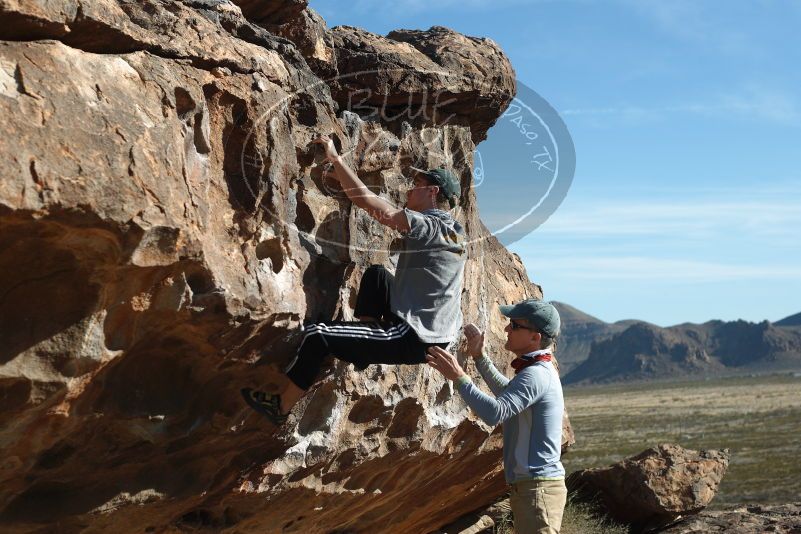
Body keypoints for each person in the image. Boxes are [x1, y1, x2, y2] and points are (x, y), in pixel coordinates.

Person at [242, 135, 467, 426]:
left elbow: (370, 204)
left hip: (415, 338)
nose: (412, 189)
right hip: (434, 331)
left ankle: (281, 406)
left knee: (317, 335)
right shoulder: (454, 230)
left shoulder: (430, 226)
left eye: (419, 185)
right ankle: (363, 343)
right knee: (376, 275)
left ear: (433, 192)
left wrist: (336, 159)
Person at [426, 299, 566, 534]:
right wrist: (479, 358)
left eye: (515, 325)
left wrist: (459, 378)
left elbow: (495, 412)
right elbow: (508, 393)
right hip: (534, 488)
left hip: (538, 489)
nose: (506, 329)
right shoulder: (537, 371)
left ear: (535, 337)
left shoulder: (536, 375)